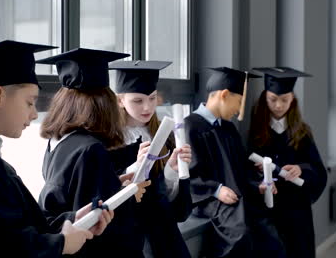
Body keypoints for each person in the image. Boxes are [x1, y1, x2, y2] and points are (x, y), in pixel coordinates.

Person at [0, 40, 113, 257]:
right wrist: (62, 244)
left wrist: (71, 220)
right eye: (30, 102)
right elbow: (6, 243)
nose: (35, 114)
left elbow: (13, 226)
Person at [36, 48, 150, 257]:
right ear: (103, 104)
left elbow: (79, 197)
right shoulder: (91, 149)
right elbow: (108, 229)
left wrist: (114, 183)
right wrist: (130, 195)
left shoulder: (57, 143)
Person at [184, 67, 286, 258]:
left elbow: (241, 170)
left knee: (271, 237)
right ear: (224, 95)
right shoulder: (191, 126)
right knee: (240, 235)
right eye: (239, 102)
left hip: (235, 200)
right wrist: (216, 190)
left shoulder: (229, 129)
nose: (239, 110)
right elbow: (188, 176)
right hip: (210, 201)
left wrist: (259, 186)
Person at [110, 60, 193, 257]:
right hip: (134, 236)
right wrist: (136, 167)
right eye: (137, 101)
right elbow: (111, 194)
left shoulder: (164, 133)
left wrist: (172, 171)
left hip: (165, 230)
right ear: (120, 100)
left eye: (152, 98)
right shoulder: (110, 141)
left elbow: (175, 205)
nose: (147, 107)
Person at [248, 67, 328, 258]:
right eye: (273, 100)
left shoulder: (302, 132)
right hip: (268, 210)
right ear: (264, 98)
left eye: (284, 100)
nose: (278, 105)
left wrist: (300, 169)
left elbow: (318, 170)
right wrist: (260, 176)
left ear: (292, 99)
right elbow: (245, 172)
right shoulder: (256, 132)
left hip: (296, 210)